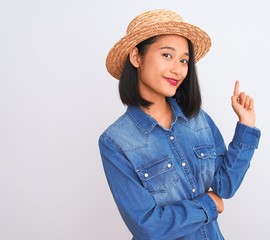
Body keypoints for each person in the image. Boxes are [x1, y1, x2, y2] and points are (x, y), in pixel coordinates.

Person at [99, 9, 261, 240]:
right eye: (167, 55)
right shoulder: (115, 141)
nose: (178, 69)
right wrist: (208, 205)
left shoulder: (198, 119)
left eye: (184, 60)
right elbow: (147, 227)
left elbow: (224, 186)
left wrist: (246, 125)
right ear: (136, 57)